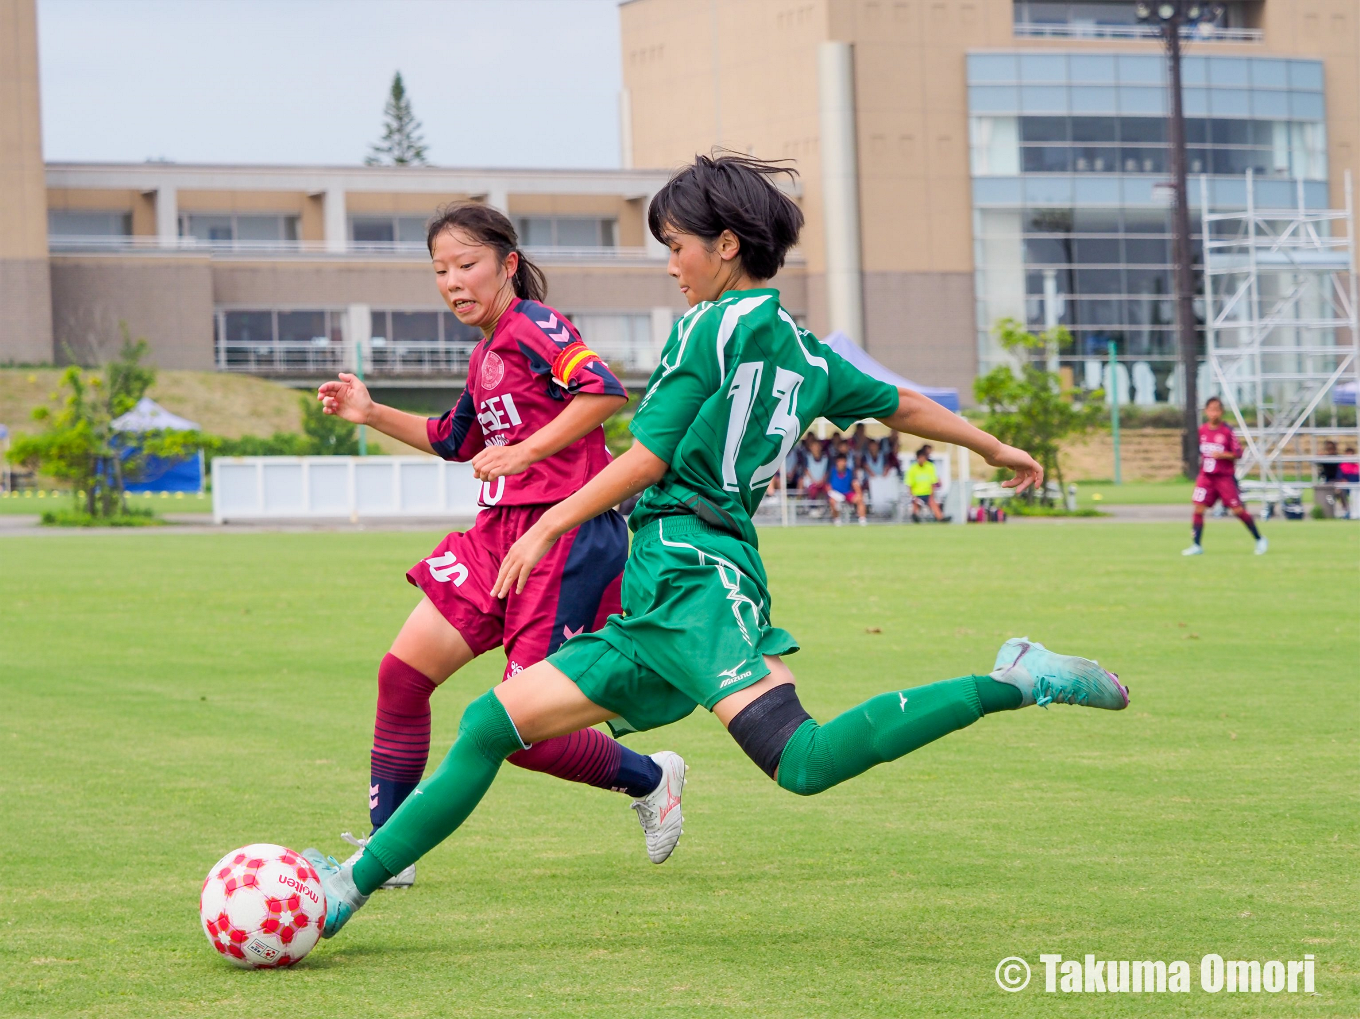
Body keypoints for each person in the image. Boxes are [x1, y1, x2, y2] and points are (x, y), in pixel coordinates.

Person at [304, 155, 1128, 937]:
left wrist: (551, 522)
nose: (672, 265)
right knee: (491, 725)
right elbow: (900, 404)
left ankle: (1015, 678)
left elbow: (648, 456)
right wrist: (990, 445)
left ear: (727, 246)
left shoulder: (710, 329)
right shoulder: (803, 348)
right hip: (661, 582)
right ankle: (349, 885)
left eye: (677, 246)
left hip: (697, 579)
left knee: (802, 760)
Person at [314, 204, 687, 884]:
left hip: (564, 537)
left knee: (521, 736)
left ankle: (651, 776)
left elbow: (604, 391)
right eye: (439, 271)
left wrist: (525, 452)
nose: (453, 281)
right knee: (402, 675)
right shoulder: (485, 350)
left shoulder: (537, 326)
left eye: (466, 265)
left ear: (507, 264)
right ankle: (387, 852)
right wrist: (369, 412)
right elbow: (455, 440)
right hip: (497, 536)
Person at [1183, 396, 1266, 557]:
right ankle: (1196, 545)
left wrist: (1222, 455)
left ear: (1221, 412)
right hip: (1206, 477)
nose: (1214, 413)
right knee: (1198, 508)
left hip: (1224, 477)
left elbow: (1238, 454)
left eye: (1217, 410)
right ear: (1206, 411)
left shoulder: (1227, 431)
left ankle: (1259, 539)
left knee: (1237, 510)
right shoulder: (1202, 431)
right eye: (1211, 409)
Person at [827, 450, 867, 525]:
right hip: (836, 494)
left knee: (859, 499)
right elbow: (828, 486)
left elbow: (854, 483)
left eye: (844, 461)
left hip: (847, 493)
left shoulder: (850, 471)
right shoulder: (831, 472)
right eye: (840, 461)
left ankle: (862, 520)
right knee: (832, 501)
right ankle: (836, 520)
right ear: (837, 462)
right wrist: (833, 494)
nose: (842, 463)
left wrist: (859, 494)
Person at [906, 446, 944, 521]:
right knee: (916, 504)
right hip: (917, 495)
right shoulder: (912, 468)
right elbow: (909, 485)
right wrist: (913, 497)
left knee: (932, 503)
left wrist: (931, 496)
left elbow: (933, 483)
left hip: (928, 494)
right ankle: (915, 517)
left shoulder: (930, 467)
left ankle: (940, 518)